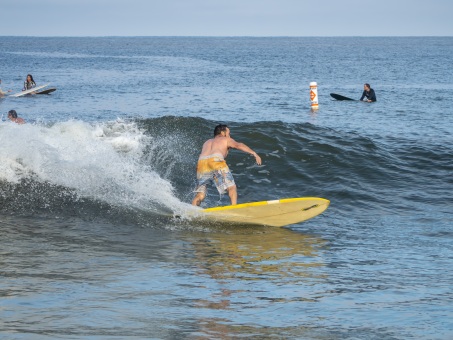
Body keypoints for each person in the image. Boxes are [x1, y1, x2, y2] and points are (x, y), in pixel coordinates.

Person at [192, 124, 262, 206]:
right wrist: (254, 153)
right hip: (216, 161)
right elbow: (238, 145)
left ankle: (193, 210)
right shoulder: (225, 139)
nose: (229, 135)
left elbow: (202, 156)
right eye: (228, 133)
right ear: (222, 132)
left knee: (200, 194)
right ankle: (233, 208)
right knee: (232, 188)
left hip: (201, 163)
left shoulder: (207, 142)